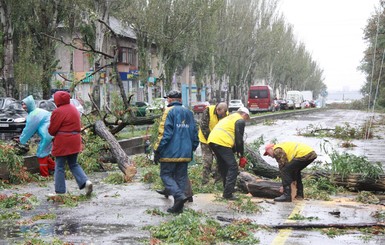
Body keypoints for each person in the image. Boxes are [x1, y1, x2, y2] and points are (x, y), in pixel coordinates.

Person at [153, 90, 199, 213]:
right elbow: (195, 133)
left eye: (167, 99)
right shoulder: (189, 113)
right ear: (180, 100)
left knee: (166, 175)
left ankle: (178, 196)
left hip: (169, 153)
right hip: (185, 153)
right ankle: (179, 207)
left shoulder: (168, 111)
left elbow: (164, 134)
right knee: (181, 178)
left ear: (170, 99)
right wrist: (191, 148)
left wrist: (157, 149)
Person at [48, 91, 92, 196]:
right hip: (75, 140)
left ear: (57, 100)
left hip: (63, 141)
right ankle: (86, 182)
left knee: (59, 166)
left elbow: (52, 130)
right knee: (73, 164)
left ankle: (60, 191)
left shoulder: (57, 112)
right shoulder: (74, 109)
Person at [207, 107, 250, 200]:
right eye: (247, 118)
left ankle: (227, 189)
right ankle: (228, 193)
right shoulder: (240, 120)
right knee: (233, 167)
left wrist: (236, 151)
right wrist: (241, 156)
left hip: (212, 140)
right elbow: (239, 140)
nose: (246, 121)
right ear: (245, 115)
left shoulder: (230, 117)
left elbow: (232, 138)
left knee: (224, 166)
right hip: (222, 142)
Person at [19, 95, 55, 177]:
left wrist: (21, 140)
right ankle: (57, 169)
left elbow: (28, 130)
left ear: (29, 105)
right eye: (22, 104)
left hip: (47, 135)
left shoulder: (33, 115)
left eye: (25, 104)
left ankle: (44, 175)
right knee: (45, 153)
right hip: (50, 134)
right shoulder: (38, 111)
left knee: (41, 153)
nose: (23, 106)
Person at [199, 102, 228, 184]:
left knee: (220, 160)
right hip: (205, 139)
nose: (221, 116)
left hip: (218, 141)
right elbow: (203, 126)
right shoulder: (208, 110)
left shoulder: (226, 114)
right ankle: (205, 181)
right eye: (220, 114)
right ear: (217, 109)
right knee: (207, 161)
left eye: (223, 114)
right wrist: (211, 140)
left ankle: (218, 180)